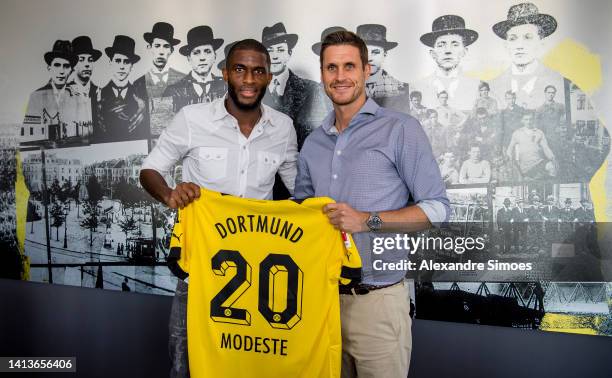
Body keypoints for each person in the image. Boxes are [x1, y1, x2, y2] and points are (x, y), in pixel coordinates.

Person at [139, 39, 298, 378]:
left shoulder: (282, 127)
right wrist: (169, 194)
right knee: (187, 363)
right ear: (225, 72)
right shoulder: (193, 119)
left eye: (258, 71)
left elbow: (302, 193)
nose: (249, 80)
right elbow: (150, 169)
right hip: (199, 270)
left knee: (251, 367)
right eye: (240, 69)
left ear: (269, 77)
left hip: (260, 274)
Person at [295, 30, 449, 378]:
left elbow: (437, 208)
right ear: (322, 75)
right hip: (321, 305)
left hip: (377, 302)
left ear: (367, 70)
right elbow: (302, 212)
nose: (340, 76)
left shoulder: (401, 129)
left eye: (349, 66)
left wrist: (367, 220)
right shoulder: (313, 143)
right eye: (331, 67)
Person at [261, 22, 325, 149]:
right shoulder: (253, 92)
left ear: (289, 53)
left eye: (280, 50)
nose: (274, 56)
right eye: (269, 50)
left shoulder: (312, 89)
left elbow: (318, 136)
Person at [411, 15, 480, 111]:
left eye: (455, 44)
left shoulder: (477, 86)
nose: (448, 51)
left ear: (464, 52)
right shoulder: (417, 87)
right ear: (433, 53)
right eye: (441, 45)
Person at [21, 40, 82, 147]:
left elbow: (82, 136)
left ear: (71, 71)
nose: (61, 71)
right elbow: (28, 137)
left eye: (66, 66)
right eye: (57, 65)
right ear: (49, 68)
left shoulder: (77, 99)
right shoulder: (36, 97)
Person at [94, 35, 150, 143]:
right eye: (118, 61)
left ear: (132, 66)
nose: (122, 66)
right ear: (110, 63)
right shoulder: (98, 95)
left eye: (126, 62)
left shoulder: (141, 96)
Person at [135, 22, 185, 136]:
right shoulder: (138, 84)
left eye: (166, 46)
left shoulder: (183, 80)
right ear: (149, 48)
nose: (161, 51)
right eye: (157, 46)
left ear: (171, 50)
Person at [162, 26, 226, 113]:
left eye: (207, 51)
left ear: (215, 56)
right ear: (189, 58)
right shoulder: (174, 90)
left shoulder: (226, 86)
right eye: (196, 53)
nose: (202, 58)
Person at [355, 24, 407, 105]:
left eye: (375, 52)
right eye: (364, 52)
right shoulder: (344, 86)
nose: (369, 58)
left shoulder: (399, 89)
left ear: (384, 54)